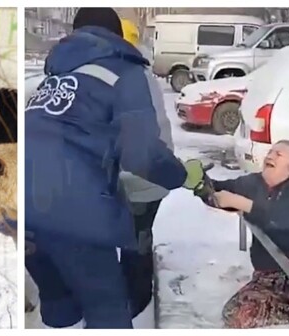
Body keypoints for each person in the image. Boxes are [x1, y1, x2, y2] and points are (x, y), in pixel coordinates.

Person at [25, 8, 187, 329]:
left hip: (22, 205)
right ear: (116, 35)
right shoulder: (126, 72)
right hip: (74, 209)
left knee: (58, 302)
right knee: (106, 308)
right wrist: (180, 175)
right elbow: (141, 154)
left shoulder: (54, 77)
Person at [184, 140, 289, 329]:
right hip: (268, 273)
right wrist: (202, 184)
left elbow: (282, 218)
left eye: (279, 154)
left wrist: (242, 203)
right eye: (271, 151)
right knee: (236, 313)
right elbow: (219, 190)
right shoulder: (252, 182)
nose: (271, 155)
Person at [116, 17, 176, 318]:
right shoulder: (139, 69)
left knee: (135, 240)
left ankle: (136, 301)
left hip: (141, 177)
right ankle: (134, 293)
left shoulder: (126, 74)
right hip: (149, 176)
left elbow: (135, 136)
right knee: (137, 236)